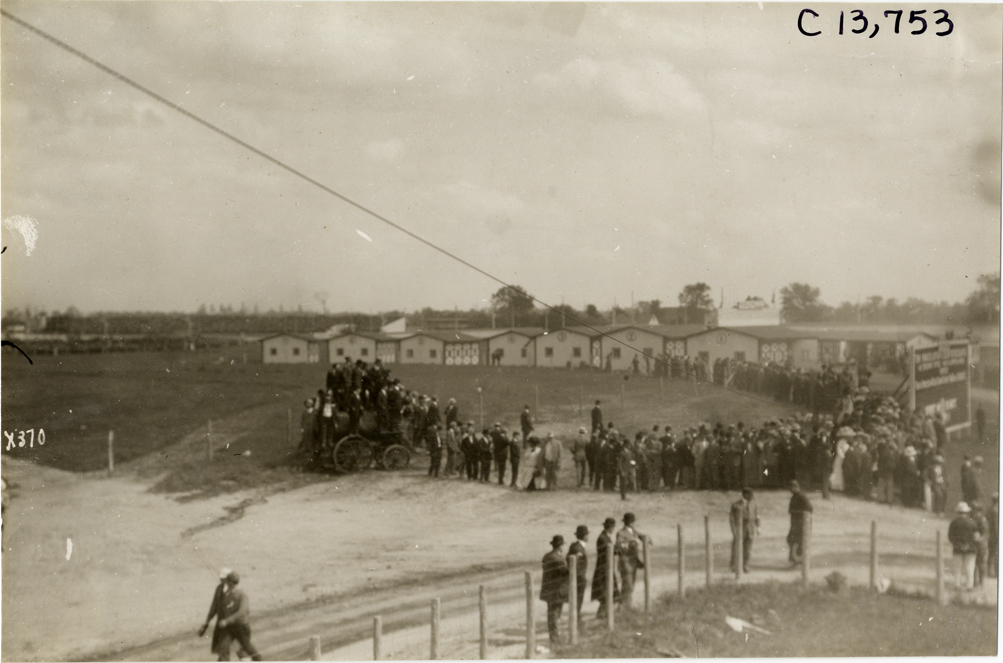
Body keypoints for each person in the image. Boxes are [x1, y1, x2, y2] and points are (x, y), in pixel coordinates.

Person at [214, 571, 262, 661]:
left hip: (241, 627)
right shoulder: (227, 594)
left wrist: (227, 620)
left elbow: (242, 612)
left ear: (232, 582)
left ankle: (259, 660)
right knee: (223, 648)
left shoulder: (241, 594)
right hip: (230, 628)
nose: (226, 582)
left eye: (228, 581)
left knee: (248, 648)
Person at [615, 512, 650, 611]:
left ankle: (623, 606)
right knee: (628, 585)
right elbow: (619, 546)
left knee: (630, 585)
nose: (632, 523)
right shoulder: (620, 533)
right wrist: (631, 544)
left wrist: (647, 539)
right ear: (629, 522)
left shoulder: (633, 531)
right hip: (626, 562)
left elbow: (643, 536)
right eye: (631, 521)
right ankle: (625, 607)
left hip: (633, 562)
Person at [540, 535, 569, 645]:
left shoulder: (547, 556)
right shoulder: (557, 558)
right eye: (562, 545)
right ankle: (554, 637)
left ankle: (554, 635)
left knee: (553, 613)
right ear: (560, 546)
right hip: (557, 590)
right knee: (554, 613)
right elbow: (566, 572)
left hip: (549, 589)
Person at [198, 568, 232, 660]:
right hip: (221, 625)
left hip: (232, 625)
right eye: (221, 578)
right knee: (223, 651)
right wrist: (207, 622)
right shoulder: (219, 588)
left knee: (231, 650)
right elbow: (214, 606)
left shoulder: (235, 591)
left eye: (224, 578)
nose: (221, 580)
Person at [591, 517, 619, 620]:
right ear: (610, 527)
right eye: (613, 527)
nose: (613, 529)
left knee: (609, 594)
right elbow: (611, 550)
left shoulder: (605, 536)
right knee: (606, 594)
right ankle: (601, 616)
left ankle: (604, 615)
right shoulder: (603, 538)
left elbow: (613, 550)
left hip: (607, 569)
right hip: (603, 570)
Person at [948, 502, 978, 590]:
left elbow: (951, 536)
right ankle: (969, 586)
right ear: (967, 512)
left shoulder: (954, 523)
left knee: (957, 568)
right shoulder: (973, 523)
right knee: (969, 567)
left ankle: (957, 584)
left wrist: (959, 544)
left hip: (957, 548)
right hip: (971, 548)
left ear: (958, 512)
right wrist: (968, 544)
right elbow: (975, 536)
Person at [730, 488, 760, 573]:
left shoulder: (754, 504)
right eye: (750, 495)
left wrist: (758, 527)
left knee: (748, 549)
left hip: (750, 530)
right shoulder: (736, 505)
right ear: (745, 495)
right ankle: (734, 566)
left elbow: (757, 516)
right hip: (740, 530)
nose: (752, 497)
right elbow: (732, 519)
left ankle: (745, 565)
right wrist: (734, 531)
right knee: (736, 548)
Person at [787, 481, 813, 566]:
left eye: (792, 487)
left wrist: (796, 512)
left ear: (796, 487)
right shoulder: (794, 497)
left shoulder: (802, 496)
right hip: (795, 523)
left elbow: (809, 509)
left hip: (801, 523)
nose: (790, 489)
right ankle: (795, 559)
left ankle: (799, 560)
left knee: (799, 541)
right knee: (791, 539)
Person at [567, 525, 589, 623]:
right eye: (587, 534)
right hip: (578, 578)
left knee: (577, 599)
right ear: (584, 536)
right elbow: (575, 563)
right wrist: (581, 576)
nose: (588, 536)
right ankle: (576, 619)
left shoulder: (574, 545)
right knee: (578, 599)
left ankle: (576, 617)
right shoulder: (578, 548)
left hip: (577, 577)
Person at [971, 501, 990, 587]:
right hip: (974, 544)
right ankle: (974, 582)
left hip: (981, 545)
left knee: (981, 563)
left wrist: (979, 538)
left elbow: (986, 534)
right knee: (973, 563)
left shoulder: (982, 520)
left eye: (974, 509)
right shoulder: (972, 518)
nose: (973, 511)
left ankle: (981, 582)